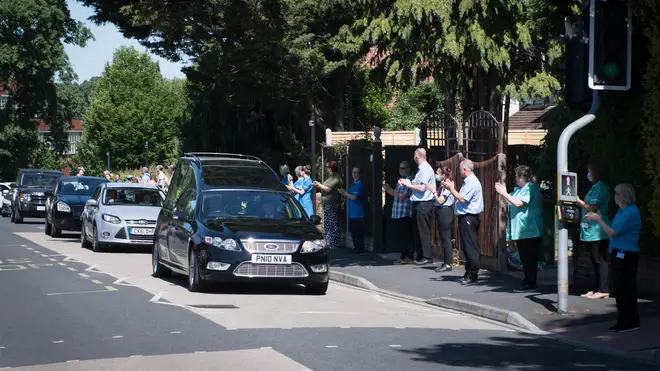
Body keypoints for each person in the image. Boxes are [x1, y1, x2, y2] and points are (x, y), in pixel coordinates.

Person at [584, 184, 641, 333]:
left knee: (626, 289)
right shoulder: (622, 212)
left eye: (616, 194)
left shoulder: (630, 213)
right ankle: (623, 320)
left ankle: (631, 321)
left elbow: (613, 232)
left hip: (627, 254)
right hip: (617, 252)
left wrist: (598, 220)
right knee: (619, 289)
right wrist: (599, 218)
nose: (614, 198)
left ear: (621, 196)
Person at [495, 165, 544, 291]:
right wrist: (504, 193)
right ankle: (527, 281)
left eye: (517, 176)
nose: (515, 179)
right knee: (524, 258)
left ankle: (530, 282)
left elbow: (518, 203)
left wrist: (504, 193)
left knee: (529, 259)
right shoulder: (519, 190)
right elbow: (510, 199)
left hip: (531, 230)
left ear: (522, 177)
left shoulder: (530, 189)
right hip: (522, 230)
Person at [442, 159, 484, 285]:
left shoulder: (472, 182)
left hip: (469, 217)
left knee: (470, 246)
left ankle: (473, 274)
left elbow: (462, 199)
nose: (459, 171)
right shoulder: (468, 182)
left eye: (460, 169)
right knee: (466, 246)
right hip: (465, 217)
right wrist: (452, 188)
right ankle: (469, 271)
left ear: (465, 170)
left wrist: (450, 189)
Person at [577, 163, 611, 299]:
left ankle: (604, 289)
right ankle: (595, 288)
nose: (588, 175)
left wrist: (580, 202)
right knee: (593, 260)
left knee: (600, 260)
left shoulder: (601, 188)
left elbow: (593, 207)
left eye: (590, 172)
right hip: (590, 231)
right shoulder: (594, 187)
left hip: (598, 230)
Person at [399, 148, 436, 265]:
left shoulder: (425, 169)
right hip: (417, 203)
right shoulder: (421, 170)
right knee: (417, 231)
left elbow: (421, 188)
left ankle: (427, 256)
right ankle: (420, 255)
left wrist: (408, 185)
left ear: (417, 157)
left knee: (423, 231)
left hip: (424, 203)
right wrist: (407, 183)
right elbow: (416, 183)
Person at [384, 161, 414, 264]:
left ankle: (408, 256)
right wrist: (390, 191)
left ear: (409, 168)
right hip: (398, 212)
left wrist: (390, 190)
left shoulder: (409, 180)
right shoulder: (401, 180)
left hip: (405, 212)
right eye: (400, 168)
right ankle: (403, 256)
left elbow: (403, 196)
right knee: (402, 236)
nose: (402, 170)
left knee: (406, 236)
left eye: (404, 168)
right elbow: (397, 194)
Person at [313, 161, 343, 248]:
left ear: (330, 168)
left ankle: (333, 243)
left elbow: (328, 189)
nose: (327, 169)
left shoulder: (336, 177)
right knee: (327, 223)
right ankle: (329, 242)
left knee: (332, 223)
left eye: (327, 167)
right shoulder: (331, 177)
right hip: (327, 204)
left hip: (332, 203)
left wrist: (319, 185)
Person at [339, 167, 365, 253]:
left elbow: (354, 197)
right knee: (354, 231)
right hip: (352, 212)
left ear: (359, 174)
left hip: (358, 212)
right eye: (353, 172)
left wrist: (344, 193)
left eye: (356, 172)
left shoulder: (358, 184)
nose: (354, 174)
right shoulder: (353, 184)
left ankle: (360, 248)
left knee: (358, 231)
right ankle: (356, 247)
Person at [433, 166, 455, 273]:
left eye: (438, 173)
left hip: (445, 211)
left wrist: (433, 192)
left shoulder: (448, 185)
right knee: (443, 237)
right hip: (441, 210)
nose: (436, 175)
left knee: (446, 238)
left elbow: (441, 200)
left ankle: (448, 263)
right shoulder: (442, 185)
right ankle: (445, 261)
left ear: (443, 175)